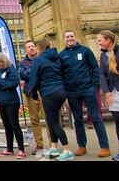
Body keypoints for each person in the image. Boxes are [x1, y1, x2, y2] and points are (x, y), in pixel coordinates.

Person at [59, 30, 110, 158]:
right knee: (77, 120)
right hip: (72, 91)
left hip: (88, 89)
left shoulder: (85, 50)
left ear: (75, 37)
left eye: (71, 36)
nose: (70, 38)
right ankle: (82, 145)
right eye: (67, 37)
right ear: (64, 39)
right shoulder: (62, 55)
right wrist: (65, 88)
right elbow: (61, 74)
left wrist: (95, 86)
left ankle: (105, 147)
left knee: (96, 117)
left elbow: (94, 68)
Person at [29, 38, 74, 161]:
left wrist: (33, 94)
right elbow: (63, 73)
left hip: (49, 93)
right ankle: (54, 148)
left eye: (36, 48)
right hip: (60, 91)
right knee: (51, 120)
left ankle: (67, 150)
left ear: (39, 48)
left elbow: (34, 78)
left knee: (54, 122)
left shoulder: (38, 60)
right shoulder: (57, 57)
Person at [0, 53, 26, 159]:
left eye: (0, 62)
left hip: (11, 102)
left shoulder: (11, 70)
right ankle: (9, 149)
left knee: (14, 125)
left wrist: (0, 85)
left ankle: (21, 149)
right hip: (1, 102)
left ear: (4, 61)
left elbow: (14, 83)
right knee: (6, 126)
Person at [19, 40, 49, 155]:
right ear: (25, 50)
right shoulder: (22, 62)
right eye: (29, 47)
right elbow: (23, 75)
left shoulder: (41, 58)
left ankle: (52, 143)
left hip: (43, 91)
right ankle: (39, 144)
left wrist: (31, 73)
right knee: (34, 120)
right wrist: (35, 73)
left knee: (48, 118)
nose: (31, 48)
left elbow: (42, 73)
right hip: (31, 92)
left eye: (33, 46)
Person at [97, 30, 119, 161]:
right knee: (117, 121)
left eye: (100, 40)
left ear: (108, 41)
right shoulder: (104, 55)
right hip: (114, 93)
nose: (98, 43)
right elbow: (102, 74)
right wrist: (106, 91)